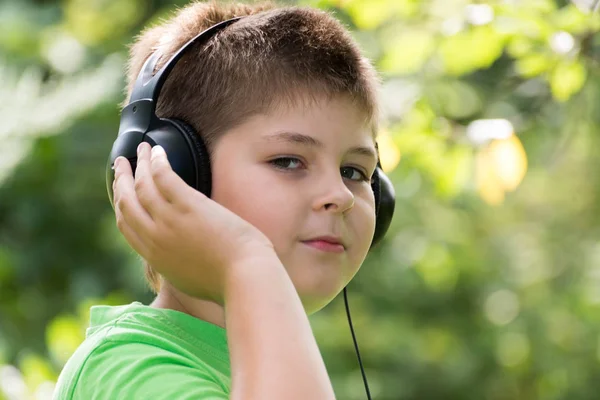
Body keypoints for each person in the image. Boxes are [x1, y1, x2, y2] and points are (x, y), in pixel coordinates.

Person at [53, 1, 383, 399]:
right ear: (178, 172)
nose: (339, 195)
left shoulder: (282, 365)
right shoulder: (128, 369)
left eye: (354, 172)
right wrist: (248, 261)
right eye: (288, 161)